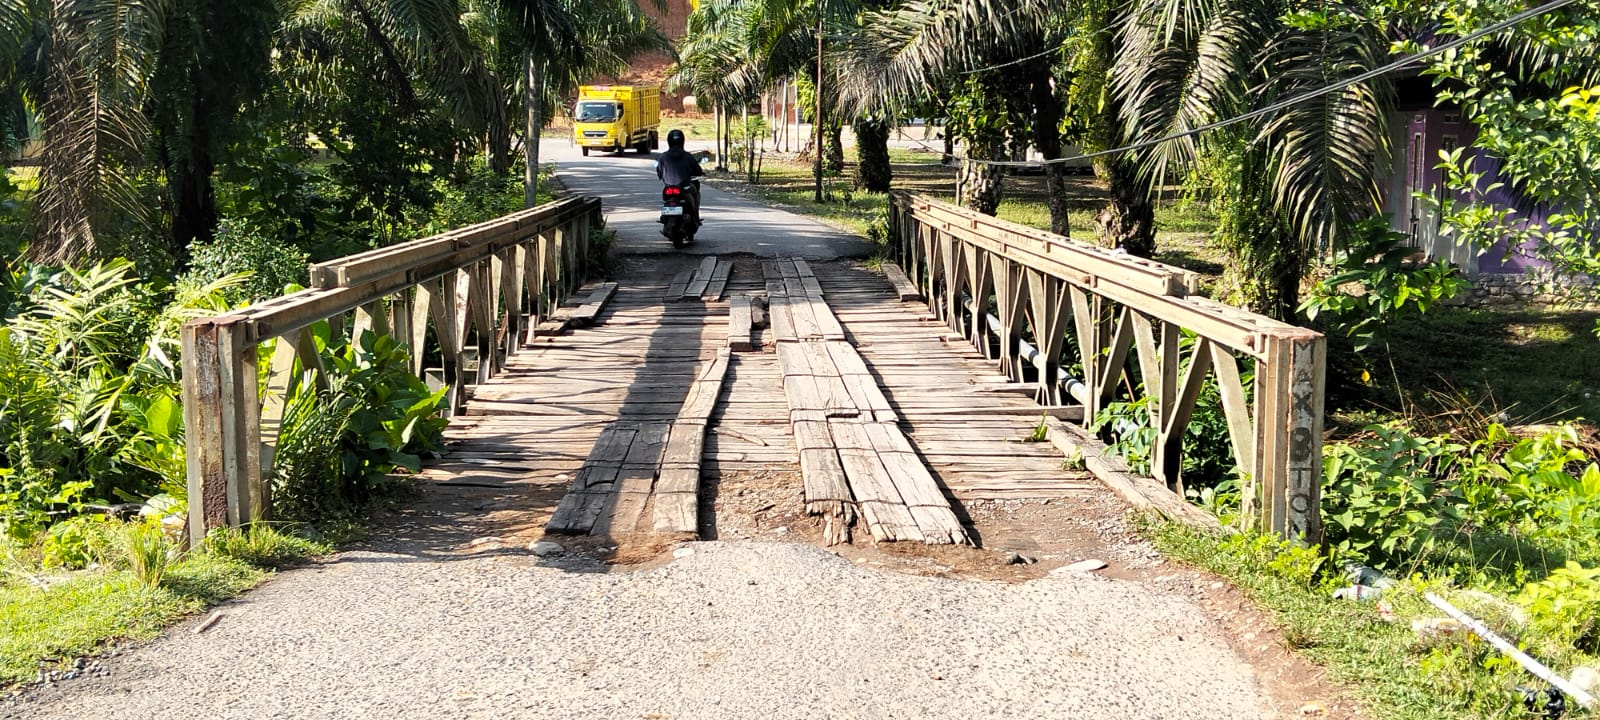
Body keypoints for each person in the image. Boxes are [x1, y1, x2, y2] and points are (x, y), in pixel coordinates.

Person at [654, 129, 704, 229]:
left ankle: (665, 217)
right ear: (682, 141)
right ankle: (696, 216)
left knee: (665, 201)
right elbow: (698, 170)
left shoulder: (663, 157)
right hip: (685, 187)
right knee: (696, 194)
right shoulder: (687, 156)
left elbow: (659, 173)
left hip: (668, 188)